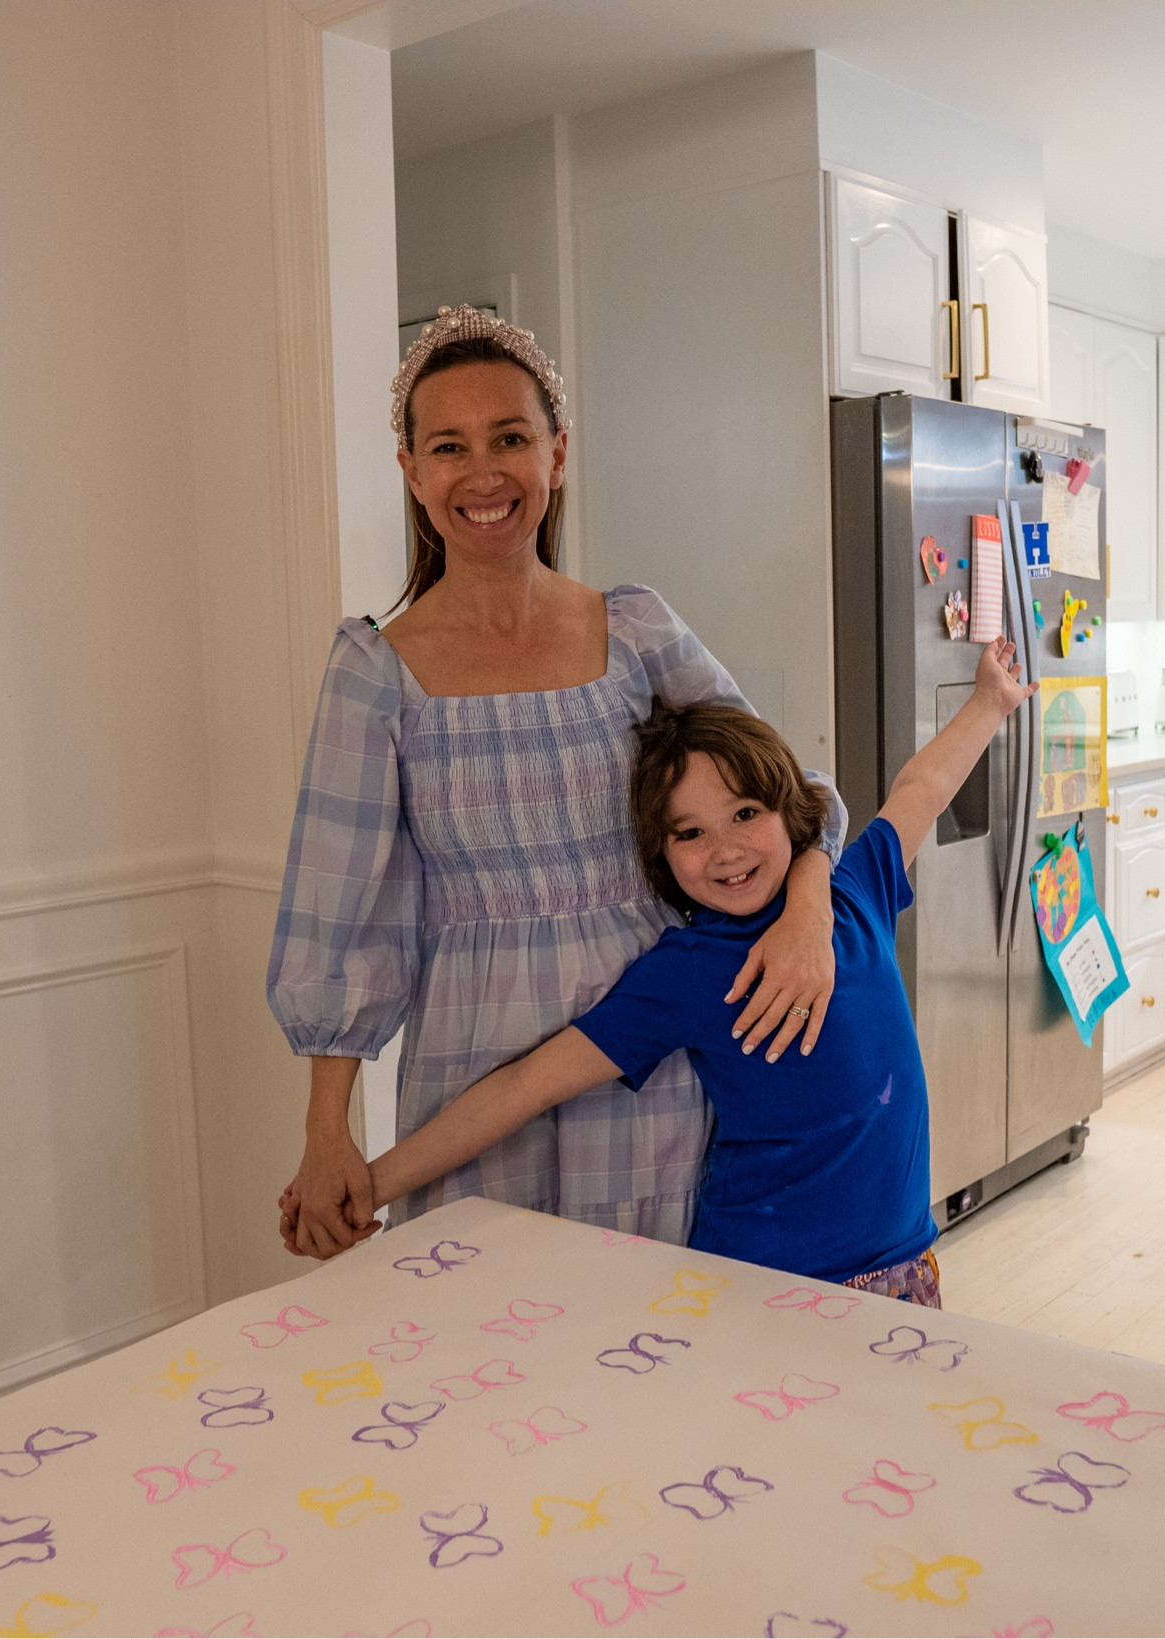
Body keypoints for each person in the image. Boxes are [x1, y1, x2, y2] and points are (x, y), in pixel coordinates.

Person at [267, 306, 846, 1259]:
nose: (484, 473)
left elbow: (786, 793)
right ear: (413, 472)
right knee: (484, 1345)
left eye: (512, 438)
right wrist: (326, 1128)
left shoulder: (638, 632)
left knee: (649, 1338)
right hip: (470, 1063)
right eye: (449, 446)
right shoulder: (376, 674)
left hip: (647, 1057)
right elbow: (339, 913)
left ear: (558, 454)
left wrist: (810, 909)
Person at [343, 636, 1038, 1306]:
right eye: (690, 832)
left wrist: (989, 702)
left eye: (745, 813)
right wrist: (370, 1184)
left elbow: (922, 788)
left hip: (903, 1267)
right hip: (765, 1289)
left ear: (787, 811)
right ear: (662, 855)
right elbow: (527, 1083)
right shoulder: (689, 970)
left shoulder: (852, 892)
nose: (726, 849)